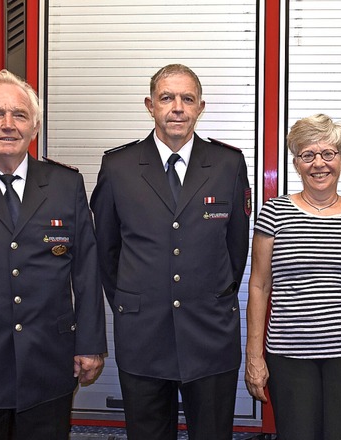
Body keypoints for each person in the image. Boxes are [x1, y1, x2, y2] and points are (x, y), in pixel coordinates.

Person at [90, 63, 251, 440]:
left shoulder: (228, 163)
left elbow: (236, 248)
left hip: (210, 332)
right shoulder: (119, 166)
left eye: (187, 99)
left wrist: (212, 295)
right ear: (150, 105)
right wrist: (133, 302)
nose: (177, 107)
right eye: (167, 98)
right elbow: (106, 251)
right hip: (143, 333)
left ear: (200, 107)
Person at [0, 69, 107, 439]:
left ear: (34, 127)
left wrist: (91, 344)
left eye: (19, 115)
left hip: (48, 366)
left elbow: (86, 270)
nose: (8, 125)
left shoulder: (66, 185)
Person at [245, 113, 341, 440]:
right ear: (296, 163)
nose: (319, 163)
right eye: (307, 155)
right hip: (290, 359)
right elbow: (259, 286)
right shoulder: (273, 214)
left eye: (328, 154)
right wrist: (254, 356)